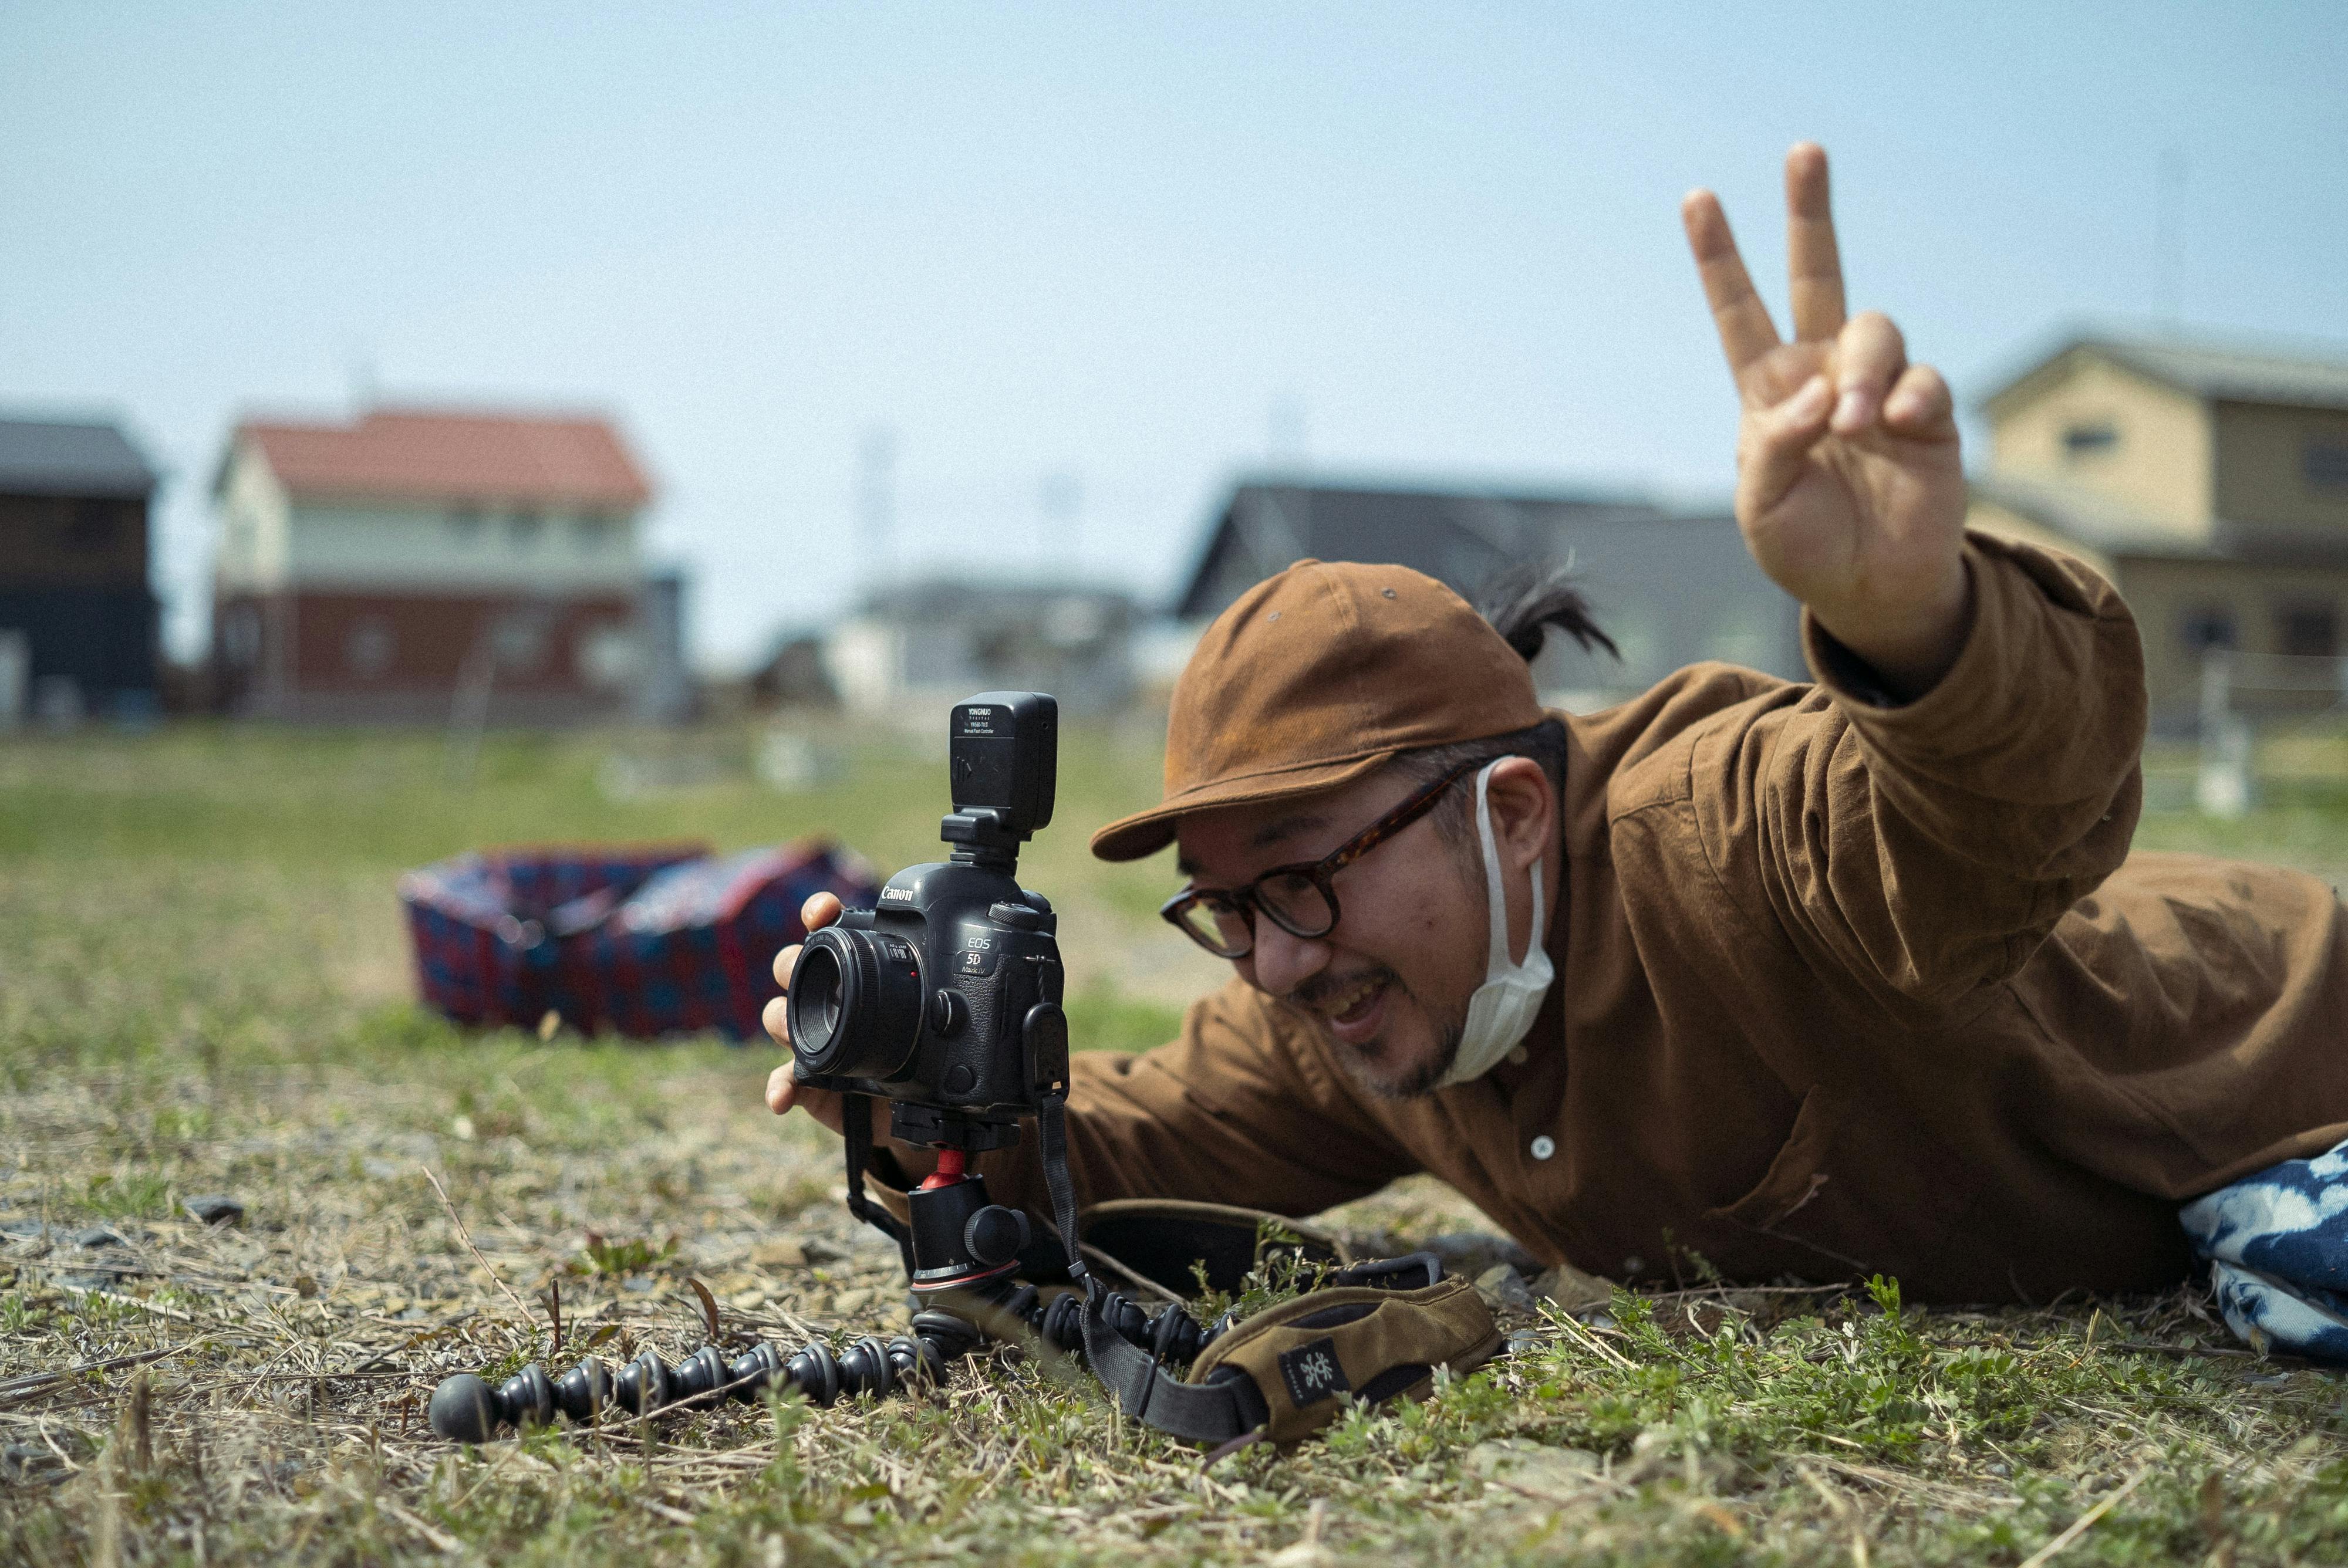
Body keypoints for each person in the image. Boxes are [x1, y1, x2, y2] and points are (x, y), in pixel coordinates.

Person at [764, 144, 2348, 1308]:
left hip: (2300, 1058)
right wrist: (911, 1096)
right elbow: (1129, 1141)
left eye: (1302, 881)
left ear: (1513, 815)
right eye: (1227, 909)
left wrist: (1915, 623)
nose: (1274, 961)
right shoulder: (1344, 1005)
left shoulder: (1725, 836)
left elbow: (2000, 812)